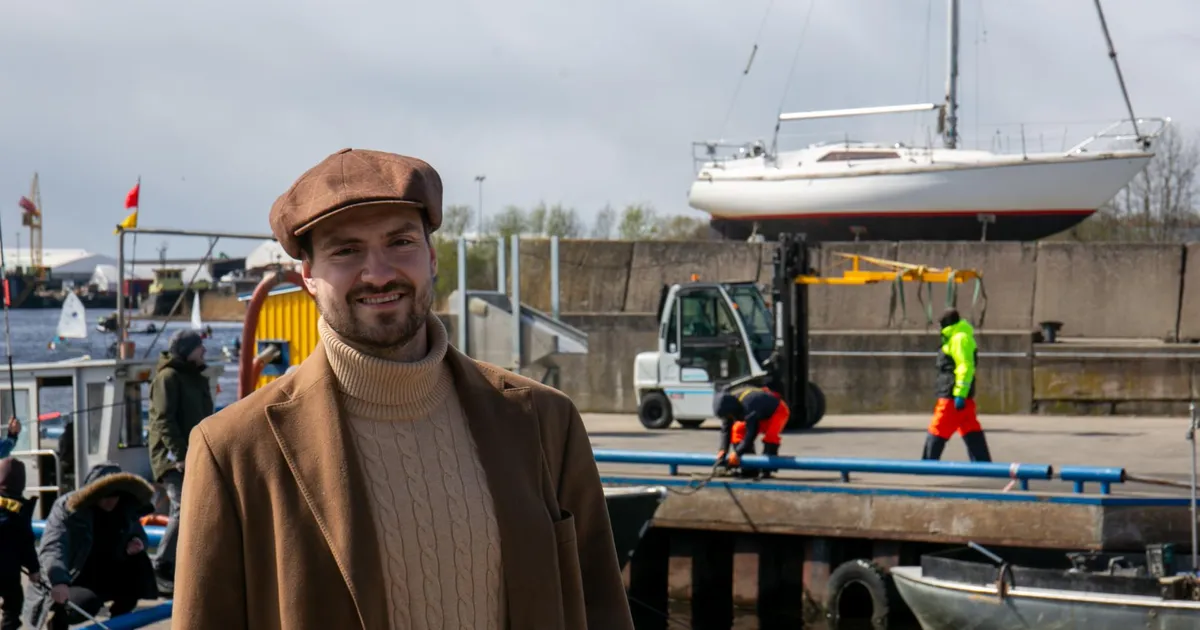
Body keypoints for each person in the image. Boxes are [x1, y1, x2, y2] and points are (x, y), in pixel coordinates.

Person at [175, 148, 632, 630]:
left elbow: (600, 605)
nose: (379, 273)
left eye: (400, 242)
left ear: (431, 258)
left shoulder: (545, 421)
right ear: (308, 275)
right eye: (346, 251)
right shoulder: (233, 452)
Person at [23, 462, 158, 630]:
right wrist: (59, 580)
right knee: (84, 604)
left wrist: (138, 542)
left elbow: (139, 534)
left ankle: (118, 621)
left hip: (107, 571)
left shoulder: (125, 507)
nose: (111, 501)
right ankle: (58, 623)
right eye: (106, 496)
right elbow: (53, 546)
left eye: (116, 495)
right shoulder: (67, 508)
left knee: (139, 570)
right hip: (72, 576)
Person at [146, 328, 213, 595]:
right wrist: (181, 455)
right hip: (173, 459)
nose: (204, 351)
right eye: (199, 346)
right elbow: (163, 420)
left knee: (199, 509)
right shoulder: (168, 378)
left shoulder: (197, 378)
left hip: (195, 456)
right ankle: (162, 566)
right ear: (186, 350)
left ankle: (189, 567)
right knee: (182, 508)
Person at [922, 307, 992, 462]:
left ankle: (927, 465)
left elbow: (964, 366)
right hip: (958, 395)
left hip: (952, 395)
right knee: (970, 429)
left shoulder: (959, 339)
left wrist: (960, 393)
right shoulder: (957, 337)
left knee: (938, 428)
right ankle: (983, 465)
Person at [712, 384, 789, 478]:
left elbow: (751, 432)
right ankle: (749, 469)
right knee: (737, 430)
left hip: (777, 411)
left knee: (770, 437)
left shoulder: (748, 404)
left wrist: (737, 453)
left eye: (730, 416)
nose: (730, 417)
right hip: (759, 414)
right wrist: (723, 450)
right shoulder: (728, 405)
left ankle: (767, 469)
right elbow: (726, 429)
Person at [0, 458, 38, 630]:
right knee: (13, 603)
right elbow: (26, 543)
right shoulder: (20, 509)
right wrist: (34, 569)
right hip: (7, 570)